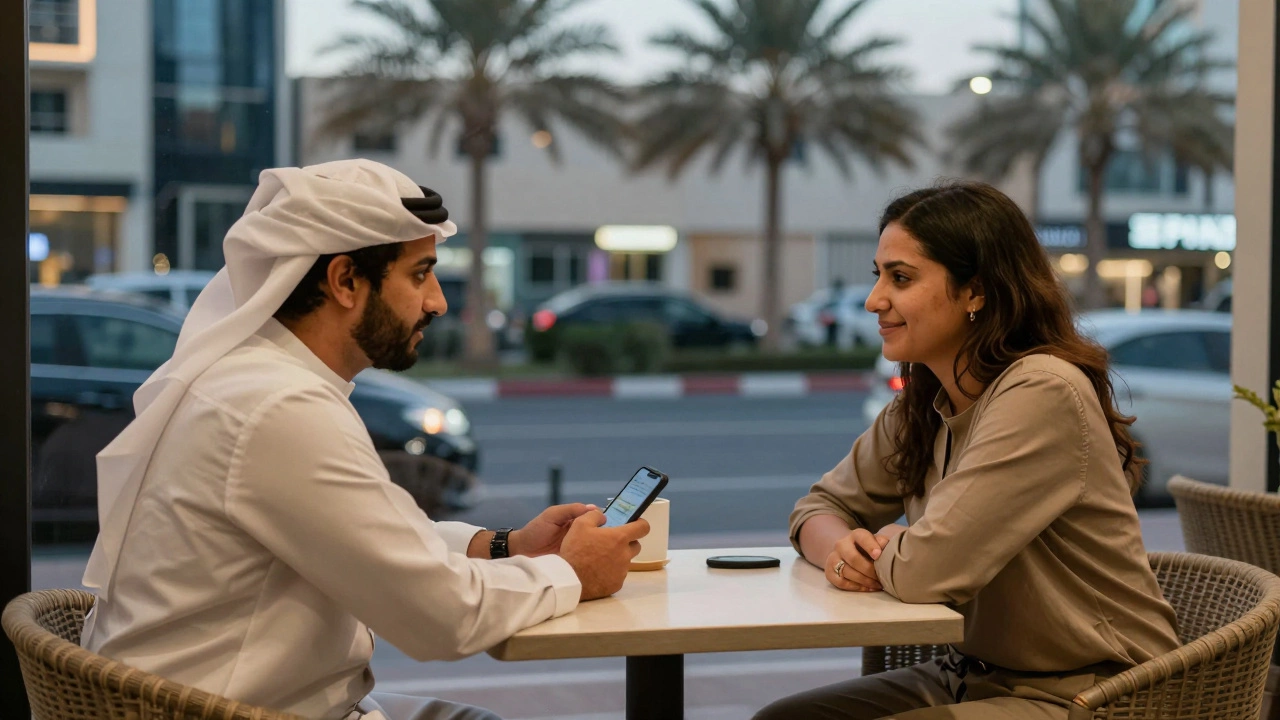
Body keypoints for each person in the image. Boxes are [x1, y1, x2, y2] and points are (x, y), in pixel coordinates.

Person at [79, 159, 649, 720]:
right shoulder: (278, 408)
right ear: (346, 280)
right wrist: (572, 574)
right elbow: (443, 617)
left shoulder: (258, 381)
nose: (438, 303)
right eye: (420, 274)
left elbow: (372, 535)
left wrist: (505, 546)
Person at [755, 181, 1179, 720]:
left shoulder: (1041, 391)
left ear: (975, 291)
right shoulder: (926, 399)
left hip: (1098, 693)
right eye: (878, 275)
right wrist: (846, 553)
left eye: (901, 278)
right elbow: (815, 510)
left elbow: (928, 572)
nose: (873, 300)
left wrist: (892, 545)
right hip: (972, 676)